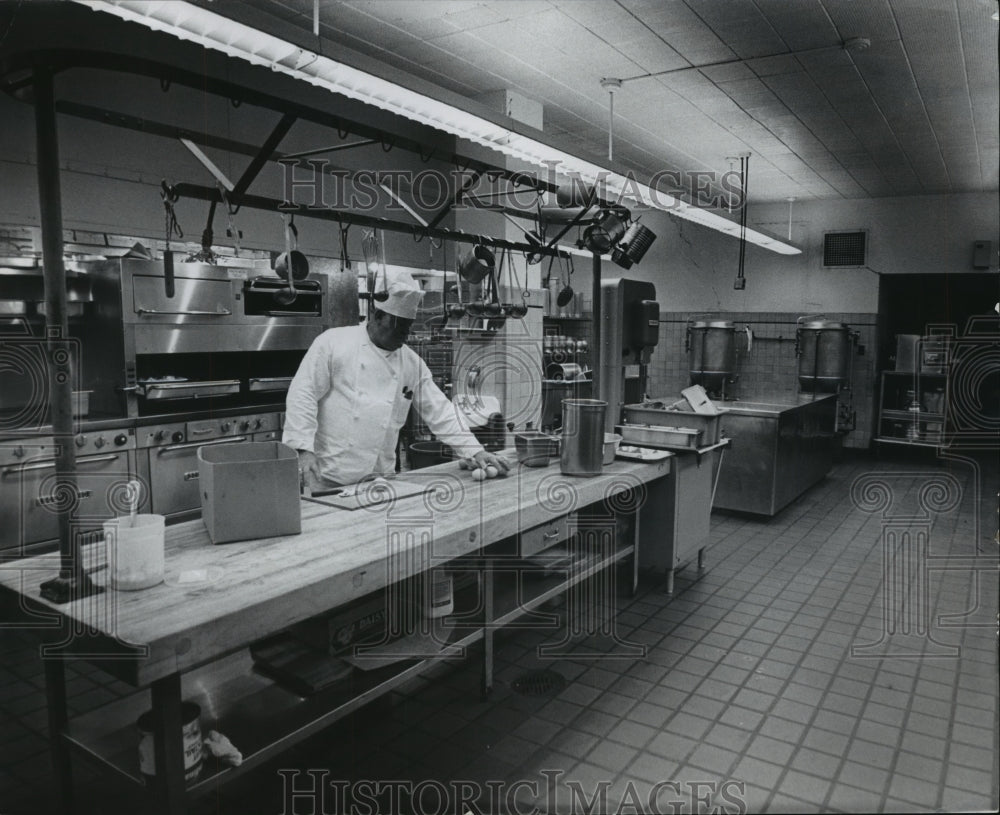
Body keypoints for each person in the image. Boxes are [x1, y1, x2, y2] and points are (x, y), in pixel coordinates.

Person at [283, 268, 509, 490]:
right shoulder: (333, 343)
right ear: (378, 316)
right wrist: (303, 450)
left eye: (407, 327)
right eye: (397, 325)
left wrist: (475, 450)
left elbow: (440, 411)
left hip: (380, 481)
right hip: (330, 478)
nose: (403, 334)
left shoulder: (411, 363)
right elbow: (303, 394)